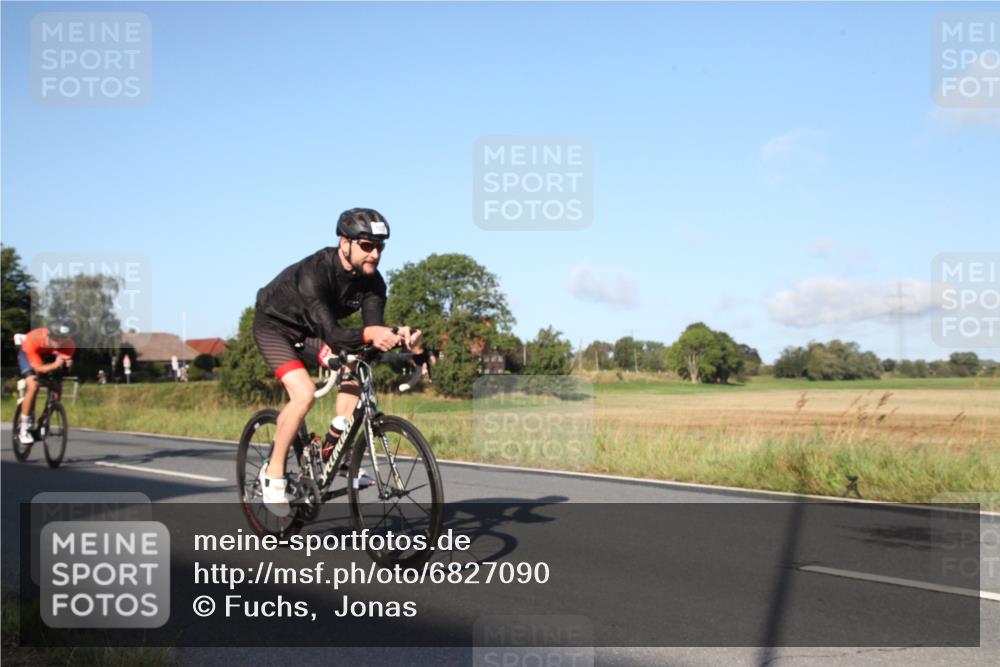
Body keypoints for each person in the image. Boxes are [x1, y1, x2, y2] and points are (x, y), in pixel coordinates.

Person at [253, 208, 420, 516]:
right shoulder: (315, 273)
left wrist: (394, 335)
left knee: (358, 363)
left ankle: (336, 449)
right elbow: (335, 334)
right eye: (367, 246)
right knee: (303, 393)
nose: (375, 254)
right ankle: (273, 472)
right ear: (345, 242)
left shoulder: (373, 282)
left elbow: (369, 333)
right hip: (276, 327)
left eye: (380, 247)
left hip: (311, 331)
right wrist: (370, 334)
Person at [16, 323, 76, 444]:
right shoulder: (34, 339)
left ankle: (43, 422)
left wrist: (67, 364)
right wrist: (54, 365)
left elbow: (64, 366)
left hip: (49, 356)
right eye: (56, 340)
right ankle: (23, 428)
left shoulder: (69, 345)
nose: (59, 343)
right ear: (48, 336)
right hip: (29, 354)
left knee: (57, 389)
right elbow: (38, 368)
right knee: (33, 385)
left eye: (62, 341)